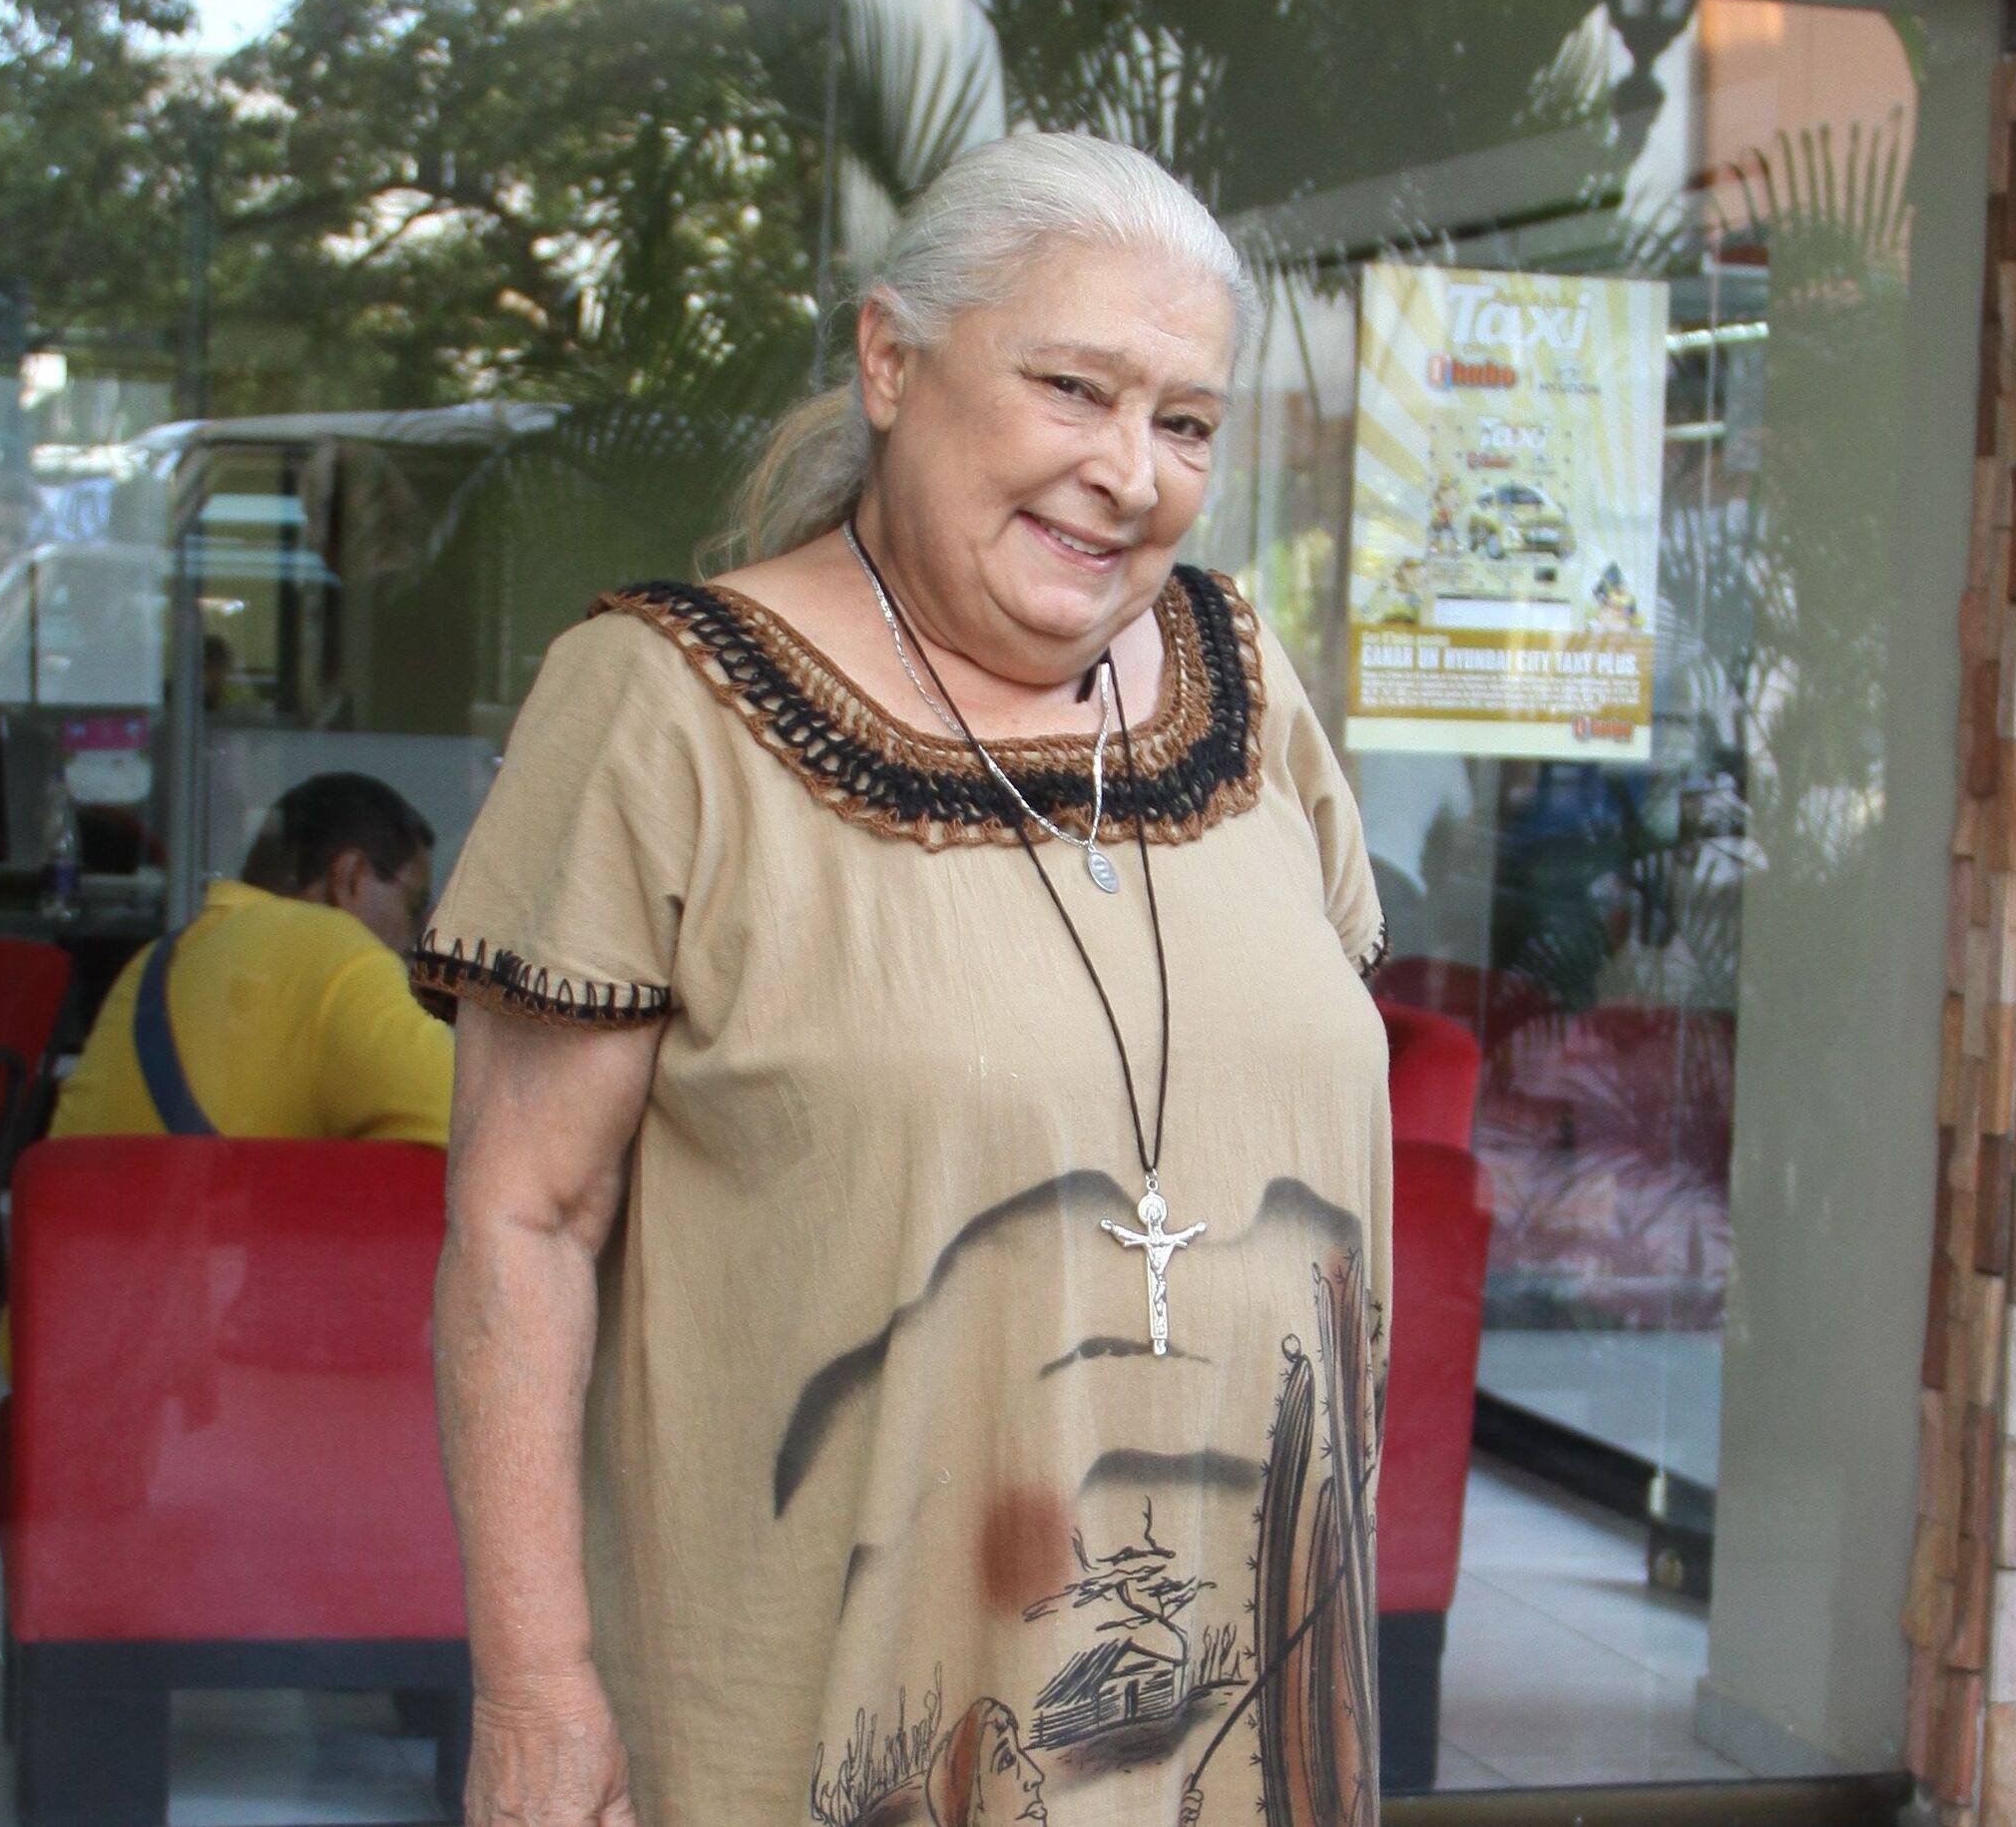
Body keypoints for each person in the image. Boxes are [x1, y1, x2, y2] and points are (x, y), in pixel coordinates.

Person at [416, 133, 1389, 1827]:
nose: (1127, 471)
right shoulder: (656, 708)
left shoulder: (1248, 684)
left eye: (1183, 423)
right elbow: (523, 1222)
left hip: (1241, 1710)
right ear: (889, 361)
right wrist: (535, 1690)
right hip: (838, 1718)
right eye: (1072, 389)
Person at [53, 771, 450, 1143]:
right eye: (414, 905)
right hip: (194, 1196)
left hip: (117, 1195)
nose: (417, 937)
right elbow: (472, 1130)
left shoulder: (155, 962)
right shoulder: (331, 948)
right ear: (350, 878)